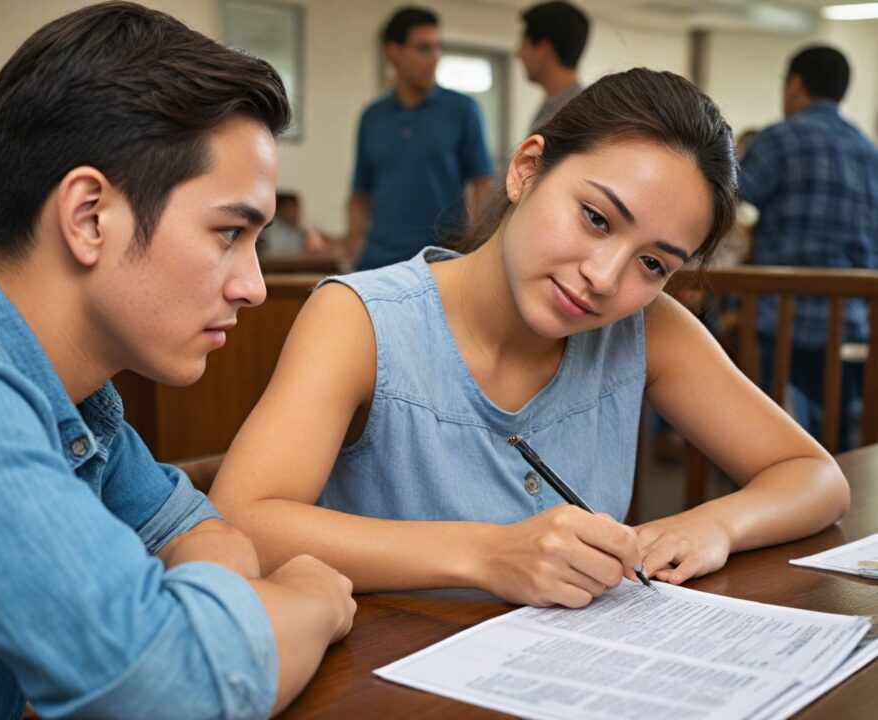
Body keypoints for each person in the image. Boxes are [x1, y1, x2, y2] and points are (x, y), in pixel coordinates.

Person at [211, 69, 849, 610]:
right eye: (596, 218)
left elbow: (814, 477)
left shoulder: (648, 330)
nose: (604, 278)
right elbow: (241, 519)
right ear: (526, 170)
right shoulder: (363, 319)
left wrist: (715, 524)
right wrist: (488, 553)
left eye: (654, 264)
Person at [0, 4, 355, 719]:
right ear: (90, 216)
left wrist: (195, 612)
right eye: (228, 233)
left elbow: (202, 532)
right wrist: (310, 598)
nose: (252, 286)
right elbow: (166, 686)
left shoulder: (82, 404)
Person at [739, 45, 878, 450]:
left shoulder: (779, 139)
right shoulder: (869, 152)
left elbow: (727, 201)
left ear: (795, 85)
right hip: (851, 318)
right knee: (832, 435)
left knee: (761, 438)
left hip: (781, 317)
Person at [345, 6, 494, 271]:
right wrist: (349, 248)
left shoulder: (462, 110)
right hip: (378, 265)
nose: (434, 57)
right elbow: (359, 196)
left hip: (441, 263)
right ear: (392, 52)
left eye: (438, 48)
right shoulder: (372, 117)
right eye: (424, 48)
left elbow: (482, 185)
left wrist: (479, 249)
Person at [516, 1, 590, 131]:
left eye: (524, 45)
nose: (518, 54)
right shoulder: (554, 108)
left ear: (543, 50)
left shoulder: (576, 117)